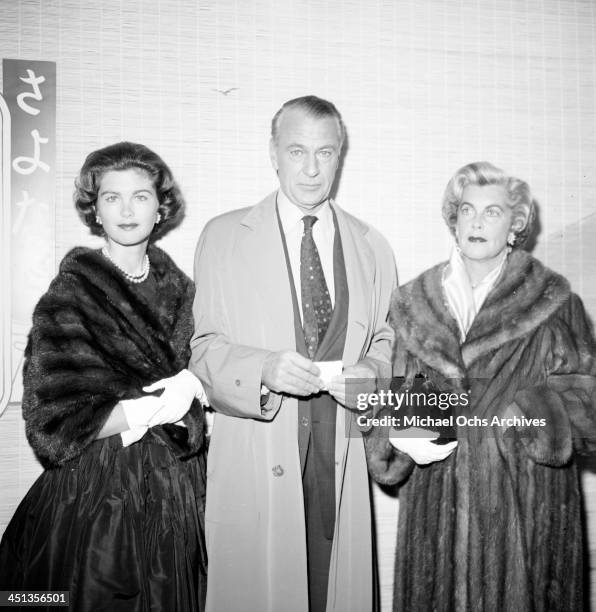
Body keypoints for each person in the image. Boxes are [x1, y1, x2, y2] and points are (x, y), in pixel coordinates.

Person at [190, 95, 396, 612]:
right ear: (273, 153)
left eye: (325, 153)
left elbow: (388, 340)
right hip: (259, 447)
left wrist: (370, 372)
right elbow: (203, 349)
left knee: (334, 589)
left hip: (339, 449)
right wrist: (263, 368)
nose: (311, 168)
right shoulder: (223, 237)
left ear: (340, 156)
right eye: (297, 150)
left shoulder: (374, 246)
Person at [365, 161, 596, 611]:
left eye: (492, 212)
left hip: (528, 510)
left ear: (516, 225)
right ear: (454, 219)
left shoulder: (555, 302)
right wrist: (403, 427)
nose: (476, 220)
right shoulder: (412, 303)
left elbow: (588, 403)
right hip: (436, 514)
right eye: (467, 209)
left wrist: (527, 414)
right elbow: (384, 406)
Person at [0, 142, 208, 611]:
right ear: (95, 211)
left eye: (140, 196)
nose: (127, 209)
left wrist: (198, 388)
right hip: (95, 494)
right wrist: (148, 408)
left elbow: (212, 372)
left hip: (175, 489)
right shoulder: (70, 297)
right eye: (112, 197)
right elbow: (50, 426)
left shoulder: (185, 294)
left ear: (161, 208)